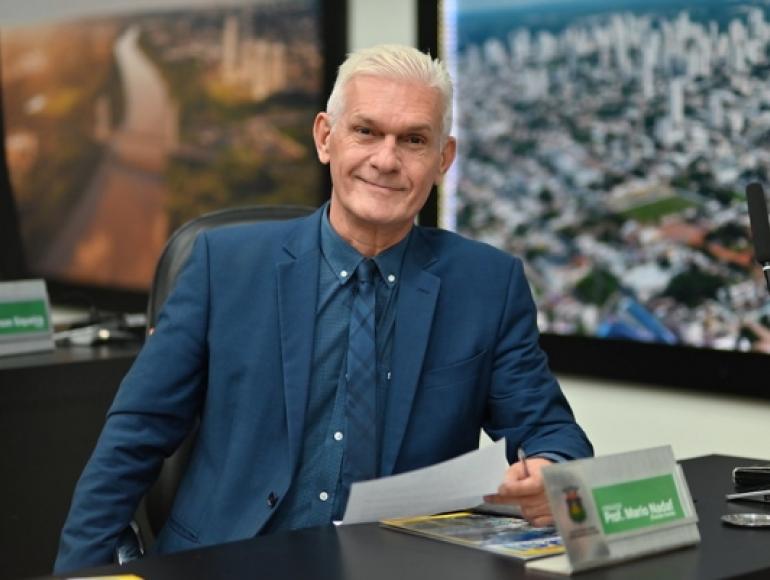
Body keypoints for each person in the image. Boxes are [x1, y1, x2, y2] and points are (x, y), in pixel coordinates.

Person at [54, 44, 592, 574]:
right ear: (324, 138)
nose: (386, 160)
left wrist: (550, 470)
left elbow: (555, 434)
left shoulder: (486, 284)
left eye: (413, 140)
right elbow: (135, 435)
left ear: (443, 160)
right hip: (226, 561)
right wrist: (80, 572)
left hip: (396, 567)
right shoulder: (224, 265)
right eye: (366, 131)